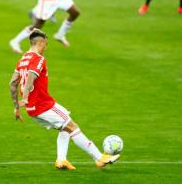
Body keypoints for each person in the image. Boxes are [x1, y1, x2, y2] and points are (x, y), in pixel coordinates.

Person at [9, 29, 121, 170]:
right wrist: (24, 98)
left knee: (65, 126)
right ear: (41, 43)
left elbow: (12, 83)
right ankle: (100, 158)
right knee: (72, 127)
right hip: (43, 105)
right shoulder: (39, 59)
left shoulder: (22, 60)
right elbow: (30, 79)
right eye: (46, 44)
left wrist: (16, 107)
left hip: (33, 108)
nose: (46, 48)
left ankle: (61, 160)